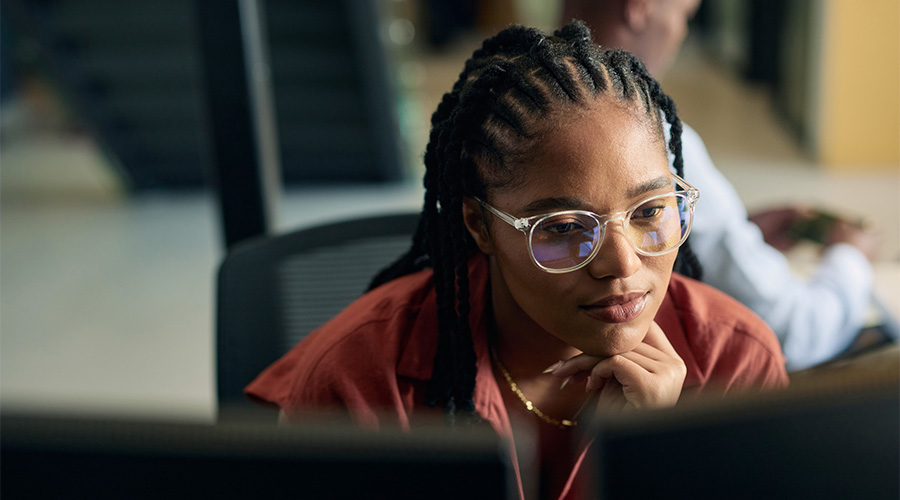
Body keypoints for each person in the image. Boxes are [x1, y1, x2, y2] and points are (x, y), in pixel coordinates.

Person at [246, 21, 788, 500]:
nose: (621, 264)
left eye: (650, 211)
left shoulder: (734, 366)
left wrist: (652, 456)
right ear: (480, 225)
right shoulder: (360, 382)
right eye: (566, 228)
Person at [560, 0, 884, 371]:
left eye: (650, 213)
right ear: (641, 6)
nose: (679, 34)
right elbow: (792, 329)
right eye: (684, 15)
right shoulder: (650, 137)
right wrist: (850, 259)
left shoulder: (511, 109)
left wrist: (732, 236)